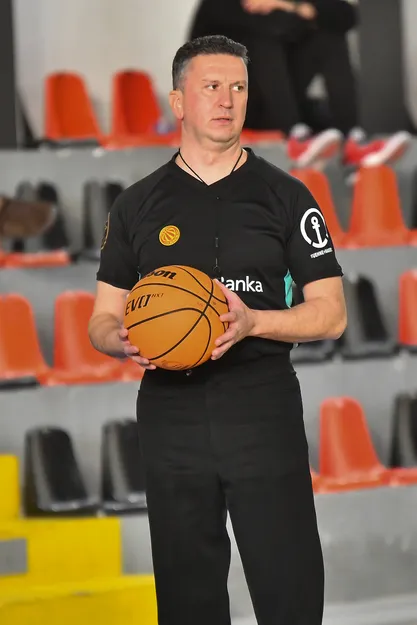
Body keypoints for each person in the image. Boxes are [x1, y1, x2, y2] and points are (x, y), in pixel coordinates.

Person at [89, 35, 347, 625]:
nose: (227, 100)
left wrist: (255, 321)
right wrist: (121, 338)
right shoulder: (135, 205)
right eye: (211, 86)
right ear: (179, 102)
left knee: (289, 589)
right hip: (171, 415)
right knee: (187, 598)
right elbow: (101, 319)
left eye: (238, 87)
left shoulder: (288, 196)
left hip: (261, 409)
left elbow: (332, 314)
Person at [188, 0, 412, 169]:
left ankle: (352, 139)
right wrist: (297, 11)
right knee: (264, 41)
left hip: (278, 100)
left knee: (329, 37)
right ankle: (296, 137)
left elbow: (346, 15)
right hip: (231, 108)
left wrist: (288, 6)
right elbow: (275, 25)